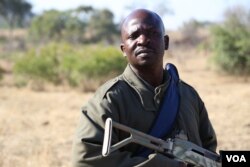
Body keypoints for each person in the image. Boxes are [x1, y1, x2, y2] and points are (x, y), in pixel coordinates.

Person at [72, 9, 217, 167]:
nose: (143, 40)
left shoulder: (188, 95)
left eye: (152, 33)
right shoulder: (108, 101)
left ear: (166, 42)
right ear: (123, 49)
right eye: (133, 36)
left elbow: (209, 148)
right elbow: (86, 160)